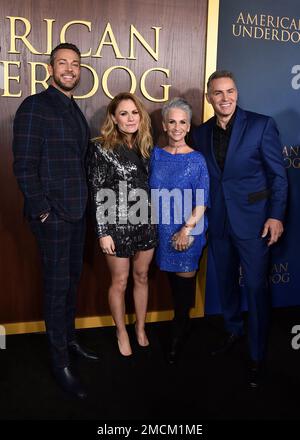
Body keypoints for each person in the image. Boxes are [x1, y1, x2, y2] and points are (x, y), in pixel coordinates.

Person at [13, 42, 99, 400]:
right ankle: (59, 361)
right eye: (63, 63)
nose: (70, 69)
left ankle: (67, 340)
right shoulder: (35, 106)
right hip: (53, 217)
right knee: (56, 286)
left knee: (70, 282)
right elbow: (23, 165)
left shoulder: (72, 108)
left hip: (76, 213)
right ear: (50, 69)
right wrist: (42, 210)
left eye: (75, 64)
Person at [192, 70, 288, 387]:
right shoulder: (200, 134)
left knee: (257, 289)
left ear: (237, 93)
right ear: (209, 97)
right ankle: (233, 330)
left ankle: (257, 354)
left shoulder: (261, 125)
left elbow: (278, 176)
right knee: (226, 284)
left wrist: (276, 216)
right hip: (218, 222)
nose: (225, 98)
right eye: (218, 93)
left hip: (255, 223)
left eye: (230, 91)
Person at [88, 92, 157, 357]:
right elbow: (96, 191)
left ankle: (140, 327)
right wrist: (103, 232)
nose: (130, 118)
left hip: (145, 222)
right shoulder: (100, 147)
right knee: (120, 281)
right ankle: (121, 331)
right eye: (124, 114)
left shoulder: (147, 146)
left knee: (141, 277)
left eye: (134, 113)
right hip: (116, 225)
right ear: (114, 119)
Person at [149, 97, 209, 365]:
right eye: (171, 121)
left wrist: (186, 230)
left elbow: (202, 202)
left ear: (188, 126)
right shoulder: (155, 155)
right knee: (172, 284)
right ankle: (180, 326)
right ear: (164, 124)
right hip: (162, 231)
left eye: (182, 122)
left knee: (183, 292)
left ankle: (178, 335)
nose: (176, 127)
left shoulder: (197, 160)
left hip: (189, 230)